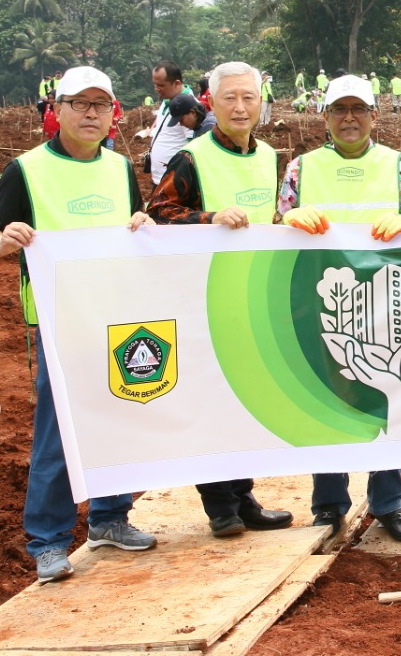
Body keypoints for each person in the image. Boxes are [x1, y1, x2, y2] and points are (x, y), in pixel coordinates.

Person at [0, 66, 157, 584]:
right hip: (58, 319)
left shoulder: (120, 167)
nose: (90, 113)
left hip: (115, 314)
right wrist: (3, 240)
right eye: (79, 104)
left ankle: (109, 518)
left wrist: (142, 223)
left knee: (119, 416)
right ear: (55, 111)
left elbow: (134, 224)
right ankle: (48, 540)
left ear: (113, 114)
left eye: (100, 105)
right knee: (56, 433)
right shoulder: (27, 169)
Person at [277, 74, 401, 543]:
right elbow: (275, 229)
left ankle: (389, 502)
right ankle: (329, 504)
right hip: (321, 302)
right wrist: (286, 219)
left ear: (374, 115)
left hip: (386, 301)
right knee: (327, 401)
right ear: (325, 117)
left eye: (359, 110)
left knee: (383, 399)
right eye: (340, 110)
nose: (350, 118)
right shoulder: (300, 170)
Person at [146, 61, 295, 538]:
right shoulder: (192, 158)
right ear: (211, 101)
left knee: (244, 399)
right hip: (200, 298)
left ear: (260, 103)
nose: (239, 106)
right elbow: (158, 213)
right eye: (229, 97)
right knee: (210, 400)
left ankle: (244, 495)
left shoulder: (268, 154)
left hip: (249, 297)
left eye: (248, 97)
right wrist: (208, 218)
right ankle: (220, 506)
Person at [148, 61, 190, 185]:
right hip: (161, 178)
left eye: (160, 85)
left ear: (176, 83)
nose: (156, 89)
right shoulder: (168, 100)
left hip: (173, 180)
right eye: (155, 84)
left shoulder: (188, 107)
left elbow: (192, 144)